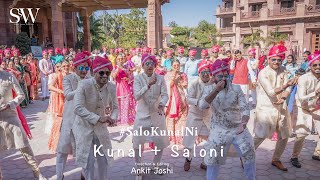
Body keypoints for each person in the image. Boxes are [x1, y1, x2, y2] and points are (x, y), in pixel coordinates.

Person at [199, 60, 255, 180]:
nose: (224, 79)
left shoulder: (236, 88)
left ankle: (251, 178)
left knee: (249, 151)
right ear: (213, 77)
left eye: (226, 75)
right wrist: (216, 90)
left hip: (237, 128)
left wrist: (243, 124)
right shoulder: (209, 89)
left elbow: (245, 108)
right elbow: (202, 106)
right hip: (218, 129)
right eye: (220, 76)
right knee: (213, 158)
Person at [73, 55, 118, 180]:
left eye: (107, 73)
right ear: (94, 72)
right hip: (83, 127)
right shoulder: (84, 85)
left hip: (101, 129)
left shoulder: (112, 86)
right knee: (89, 163)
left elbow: (115, 107)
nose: (105, 76)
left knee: (103, 159)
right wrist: (98, 118)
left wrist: (113, 118)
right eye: (101, 73)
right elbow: (77, 107)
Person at [0, 60, 47, 180]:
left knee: (24, 146)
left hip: (10, 116)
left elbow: (21, 95)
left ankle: (37, 173)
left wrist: (10, 104)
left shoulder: (8, 76)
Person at [254, 43, 297, 171]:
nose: (277, 62)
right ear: (268, 59)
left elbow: (289, 86)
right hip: (266, 108)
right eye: (274, 59)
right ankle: (246, 156)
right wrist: (286, 86)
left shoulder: (284, 70)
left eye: (279, 60)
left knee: (285, 135)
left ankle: (276, 159)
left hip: (281, 107)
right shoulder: (263, 73)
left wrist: (284, 97)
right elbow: (272, 92)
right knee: (260, 136)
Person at [132, 54, 170, 179]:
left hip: (156, 115)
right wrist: (148, 85)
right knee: (138, 143)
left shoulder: (160, 78)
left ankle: (156, 165)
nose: (149, 66)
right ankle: (138, 168)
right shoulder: (138, 78)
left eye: (151, 64)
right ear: (142, 66)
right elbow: (137, 96)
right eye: (147, 64)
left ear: (155, 65)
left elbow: (165, 94)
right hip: (142, 115)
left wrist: (162, 104)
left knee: (160, 141)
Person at [55, 51, 91, 180]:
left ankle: (84, 175)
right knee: (62, 150)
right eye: (81, 67)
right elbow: (68, 95)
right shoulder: (68, 79)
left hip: (84, 121)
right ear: (75, 67)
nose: (84, 70)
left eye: (87, 68)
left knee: (85, 151)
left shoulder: (90, 80)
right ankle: (59, 176)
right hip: (69, 119)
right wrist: (82, 87)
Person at [290, 51, 320, 168]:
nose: (318, 67)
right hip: (303, 108)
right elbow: (302, 98)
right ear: (310, 66)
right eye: (315, 65)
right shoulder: (304, 78)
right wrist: (315, 92)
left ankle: (317, 153)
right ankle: (294, 157)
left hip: (316, 107)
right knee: (301, 134)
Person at [182, 61, 214, 171]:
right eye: (203, 72)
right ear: (199, 73)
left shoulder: (213, 84)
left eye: (207, 72)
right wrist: (199, 102)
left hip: (207, 117)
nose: (205, 74)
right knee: (189, 142)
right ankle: (188, 160)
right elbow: (188, 99)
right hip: (194, 116)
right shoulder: (194, 83)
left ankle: (205, 161)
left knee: (212, 140)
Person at [48, 59, 70, 152]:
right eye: (64, 66)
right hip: (61, 101)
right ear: (61, 67)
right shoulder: (58, 76)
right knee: (59, 123)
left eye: (67, 66)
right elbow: (50, 86)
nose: (66, 68)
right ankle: (56, 145)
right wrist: (60, 91)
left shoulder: (72, 76)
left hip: (70, 100)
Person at [164, 59, 188, 144]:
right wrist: (174, 77)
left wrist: (183, 83)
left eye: (178, 65)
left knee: (182, 117)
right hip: (171, 99)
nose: (176, 67)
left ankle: (180, 137)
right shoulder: (167, 75)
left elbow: (185, 85)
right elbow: (169, 85)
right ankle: (171, 137)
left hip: (181, 97)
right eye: (174, 65)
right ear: (171, 66)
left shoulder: (183, 74)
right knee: (171, 117)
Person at [112, 53, 136, 125]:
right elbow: (113, 76)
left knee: (127, 103)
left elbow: (131, 77)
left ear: (124, 59)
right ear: (116, 59)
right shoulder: (115, 67)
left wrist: (128, 78)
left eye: (122, 59)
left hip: (126, 86)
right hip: (118, 87)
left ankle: (127, 119)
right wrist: (118, 68)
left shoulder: (127, 67)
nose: (120, 60)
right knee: (118, 103)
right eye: (119, 59)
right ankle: (119, 118)